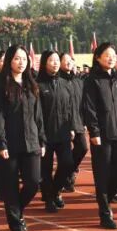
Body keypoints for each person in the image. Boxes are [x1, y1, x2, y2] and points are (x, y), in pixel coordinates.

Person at [0, 45, 45, 231]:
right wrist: (1, 142)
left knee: (33, 182)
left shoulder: (32, 84)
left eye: (24, 58)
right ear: (9, 61)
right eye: (16, 58)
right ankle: (16, 225)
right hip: (10, 143)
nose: (21, 62)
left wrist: (42, 139)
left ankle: (16, 209)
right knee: (11, 186)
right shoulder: (0, 86)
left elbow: (38, 115)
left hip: (31, 141)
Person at [82, 42, 117, 229]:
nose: (111, 58)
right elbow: (89, 107)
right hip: (102, 135)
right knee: (102, 174)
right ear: (98, 58)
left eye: (113, 55)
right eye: (107, 55)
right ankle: (105, 213)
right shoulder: (92, 80)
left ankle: (104, 199)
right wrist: (94, 131)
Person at [37, 51, 76, 212]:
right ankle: (49, 199)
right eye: (51, 60)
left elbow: (70, 108)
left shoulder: (64, 83)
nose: (55, 63)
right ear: (44, 63)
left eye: (56, 60)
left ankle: (54, 191)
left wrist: (72, 127)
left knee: (67, 164)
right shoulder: (38, 84)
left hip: (63, 132)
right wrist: (39, 134)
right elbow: (36, 113)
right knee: (45, 169)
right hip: (45, 134)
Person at [61, 53, 90, 191]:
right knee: (65, 155)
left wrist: (84, 121)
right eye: (65, 60)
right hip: (63, 124)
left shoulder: (78, 81)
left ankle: (67, 173)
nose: (69, 63)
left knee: (83, 148)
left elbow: (82, 102)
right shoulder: (58, 81)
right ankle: (64, 179)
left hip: (78, 121)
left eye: (71, 61)